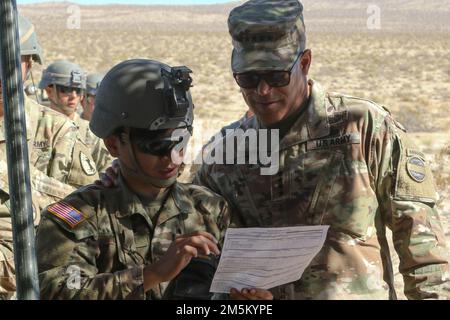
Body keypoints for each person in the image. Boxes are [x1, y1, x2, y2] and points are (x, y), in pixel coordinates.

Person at [192, 0, 449, 299]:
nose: (263, 91)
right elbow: (202, 267)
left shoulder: (363, 127)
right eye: (249, 78)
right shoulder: (225, 154)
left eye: (277, 76)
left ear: (304, 63)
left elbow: (423, 250)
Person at [35, 59, 230, 300]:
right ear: (114, 143)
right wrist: (151, 275)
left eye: (180, 142)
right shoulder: (75, 217)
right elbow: (60, 291)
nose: (172, 158)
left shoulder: (209, 209)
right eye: (156, 146)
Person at [0, 14, 90, 299]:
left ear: (28, 65)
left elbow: (86, 217)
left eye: (11, 60)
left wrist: (30, 194)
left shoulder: (58, 132)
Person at [39, 61, 113, 174]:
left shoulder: (92, 133)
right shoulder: (36, 128)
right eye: (66, 89)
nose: (73, 96)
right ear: (49, 91)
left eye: (78, 90)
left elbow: (107, 173)